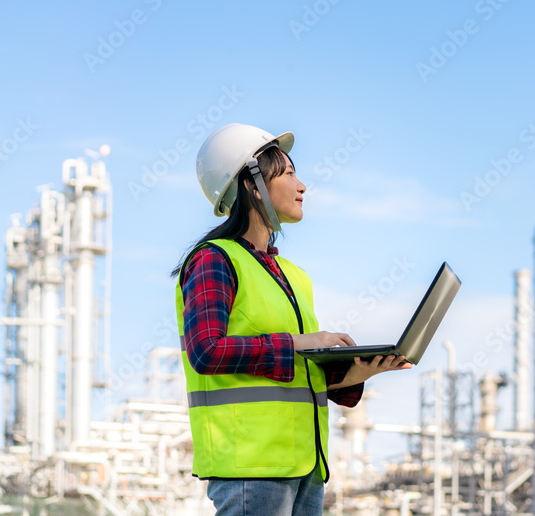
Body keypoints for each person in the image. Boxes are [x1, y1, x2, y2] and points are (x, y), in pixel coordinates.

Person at [172, 123, 410, 516]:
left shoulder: (294, 276)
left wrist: (354, 375)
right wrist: (299, 342)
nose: (302, 186)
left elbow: (293, 371)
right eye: (288, 173)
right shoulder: (215, 259)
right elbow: (207, 351)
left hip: (306, 465)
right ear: (251, 183)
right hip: (251, 466)